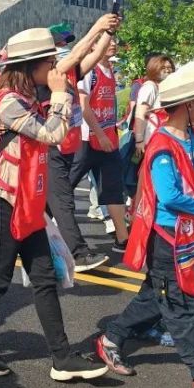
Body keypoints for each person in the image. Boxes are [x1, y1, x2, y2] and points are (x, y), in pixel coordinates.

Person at [95, 63, 194, 388]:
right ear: (188, 104)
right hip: (166, 237)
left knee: (157, 297)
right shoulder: (162, 144)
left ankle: (111, 339)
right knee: (178, 309)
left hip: (190, 235)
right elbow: (169, 196)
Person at [0, 28, 108, 382]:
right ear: (31, 67)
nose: (55, 68)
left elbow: (77, 63)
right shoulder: (8, 102)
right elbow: (53, 134)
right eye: (49, 62)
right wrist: (59, 95)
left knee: (44, 278)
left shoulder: (29, 97)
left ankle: (62, 358)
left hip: (29, 205)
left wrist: (97, 32)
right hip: (4, 205)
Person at [40, 14, 120, 271]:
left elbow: (92, 57)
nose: (65, 49)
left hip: (66, 147)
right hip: (48, 149)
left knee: (48, 203)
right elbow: (77, 55)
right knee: (63, 201)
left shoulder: (70, 75)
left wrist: (108, 32)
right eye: (60, 45)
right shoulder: (48, 77)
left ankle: (28, 239)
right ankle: (78, 253)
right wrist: (97, 27)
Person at [68, 38, 130, 254]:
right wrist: (100, 133)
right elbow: (83, 105)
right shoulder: (88, 70)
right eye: (108, 41)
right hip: (86, 140)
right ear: (94, 45)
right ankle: (47, 230)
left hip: (108, 140)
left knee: (113, 188)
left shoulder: (109, 68)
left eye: (115, 41)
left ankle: (122, 239)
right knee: (65, 186)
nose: (113, 44)